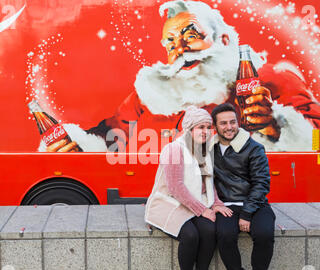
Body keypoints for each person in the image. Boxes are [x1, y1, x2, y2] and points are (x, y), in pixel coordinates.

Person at [40, 0, 319, 152]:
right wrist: (78, 147)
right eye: (171, 43)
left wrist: (275, 127)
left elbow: (316, 139)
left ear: (222, 39)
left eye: (191, 36)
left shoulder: (272, 78)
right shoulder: (152, 92)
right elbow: (110, 135)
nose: (180, 49)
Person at [144, 106, 232, 270]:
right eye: (200, 127)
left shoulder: (203, 150)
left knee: (209, 230)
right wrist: (202, 210)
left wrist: (216, 203)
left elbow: (208, 183)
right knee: (191, 235)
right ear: (189, 129)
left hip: (191, 204)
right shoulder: (174, 149)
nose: (205, 131)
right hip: (169, 203)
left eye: (208, 127)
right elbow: (175, 187)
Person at [210, 103, 275, 270]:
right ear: (215, 126)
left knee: (264, 234)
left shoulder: (254, 148)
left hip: (255, 204)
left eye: (232, 122)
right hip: (227, 205)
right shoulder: (208, 148)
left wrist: (247, 213)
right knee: (224, 234)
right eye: (223, 123)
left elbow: (262, 183)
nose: (229, 127)